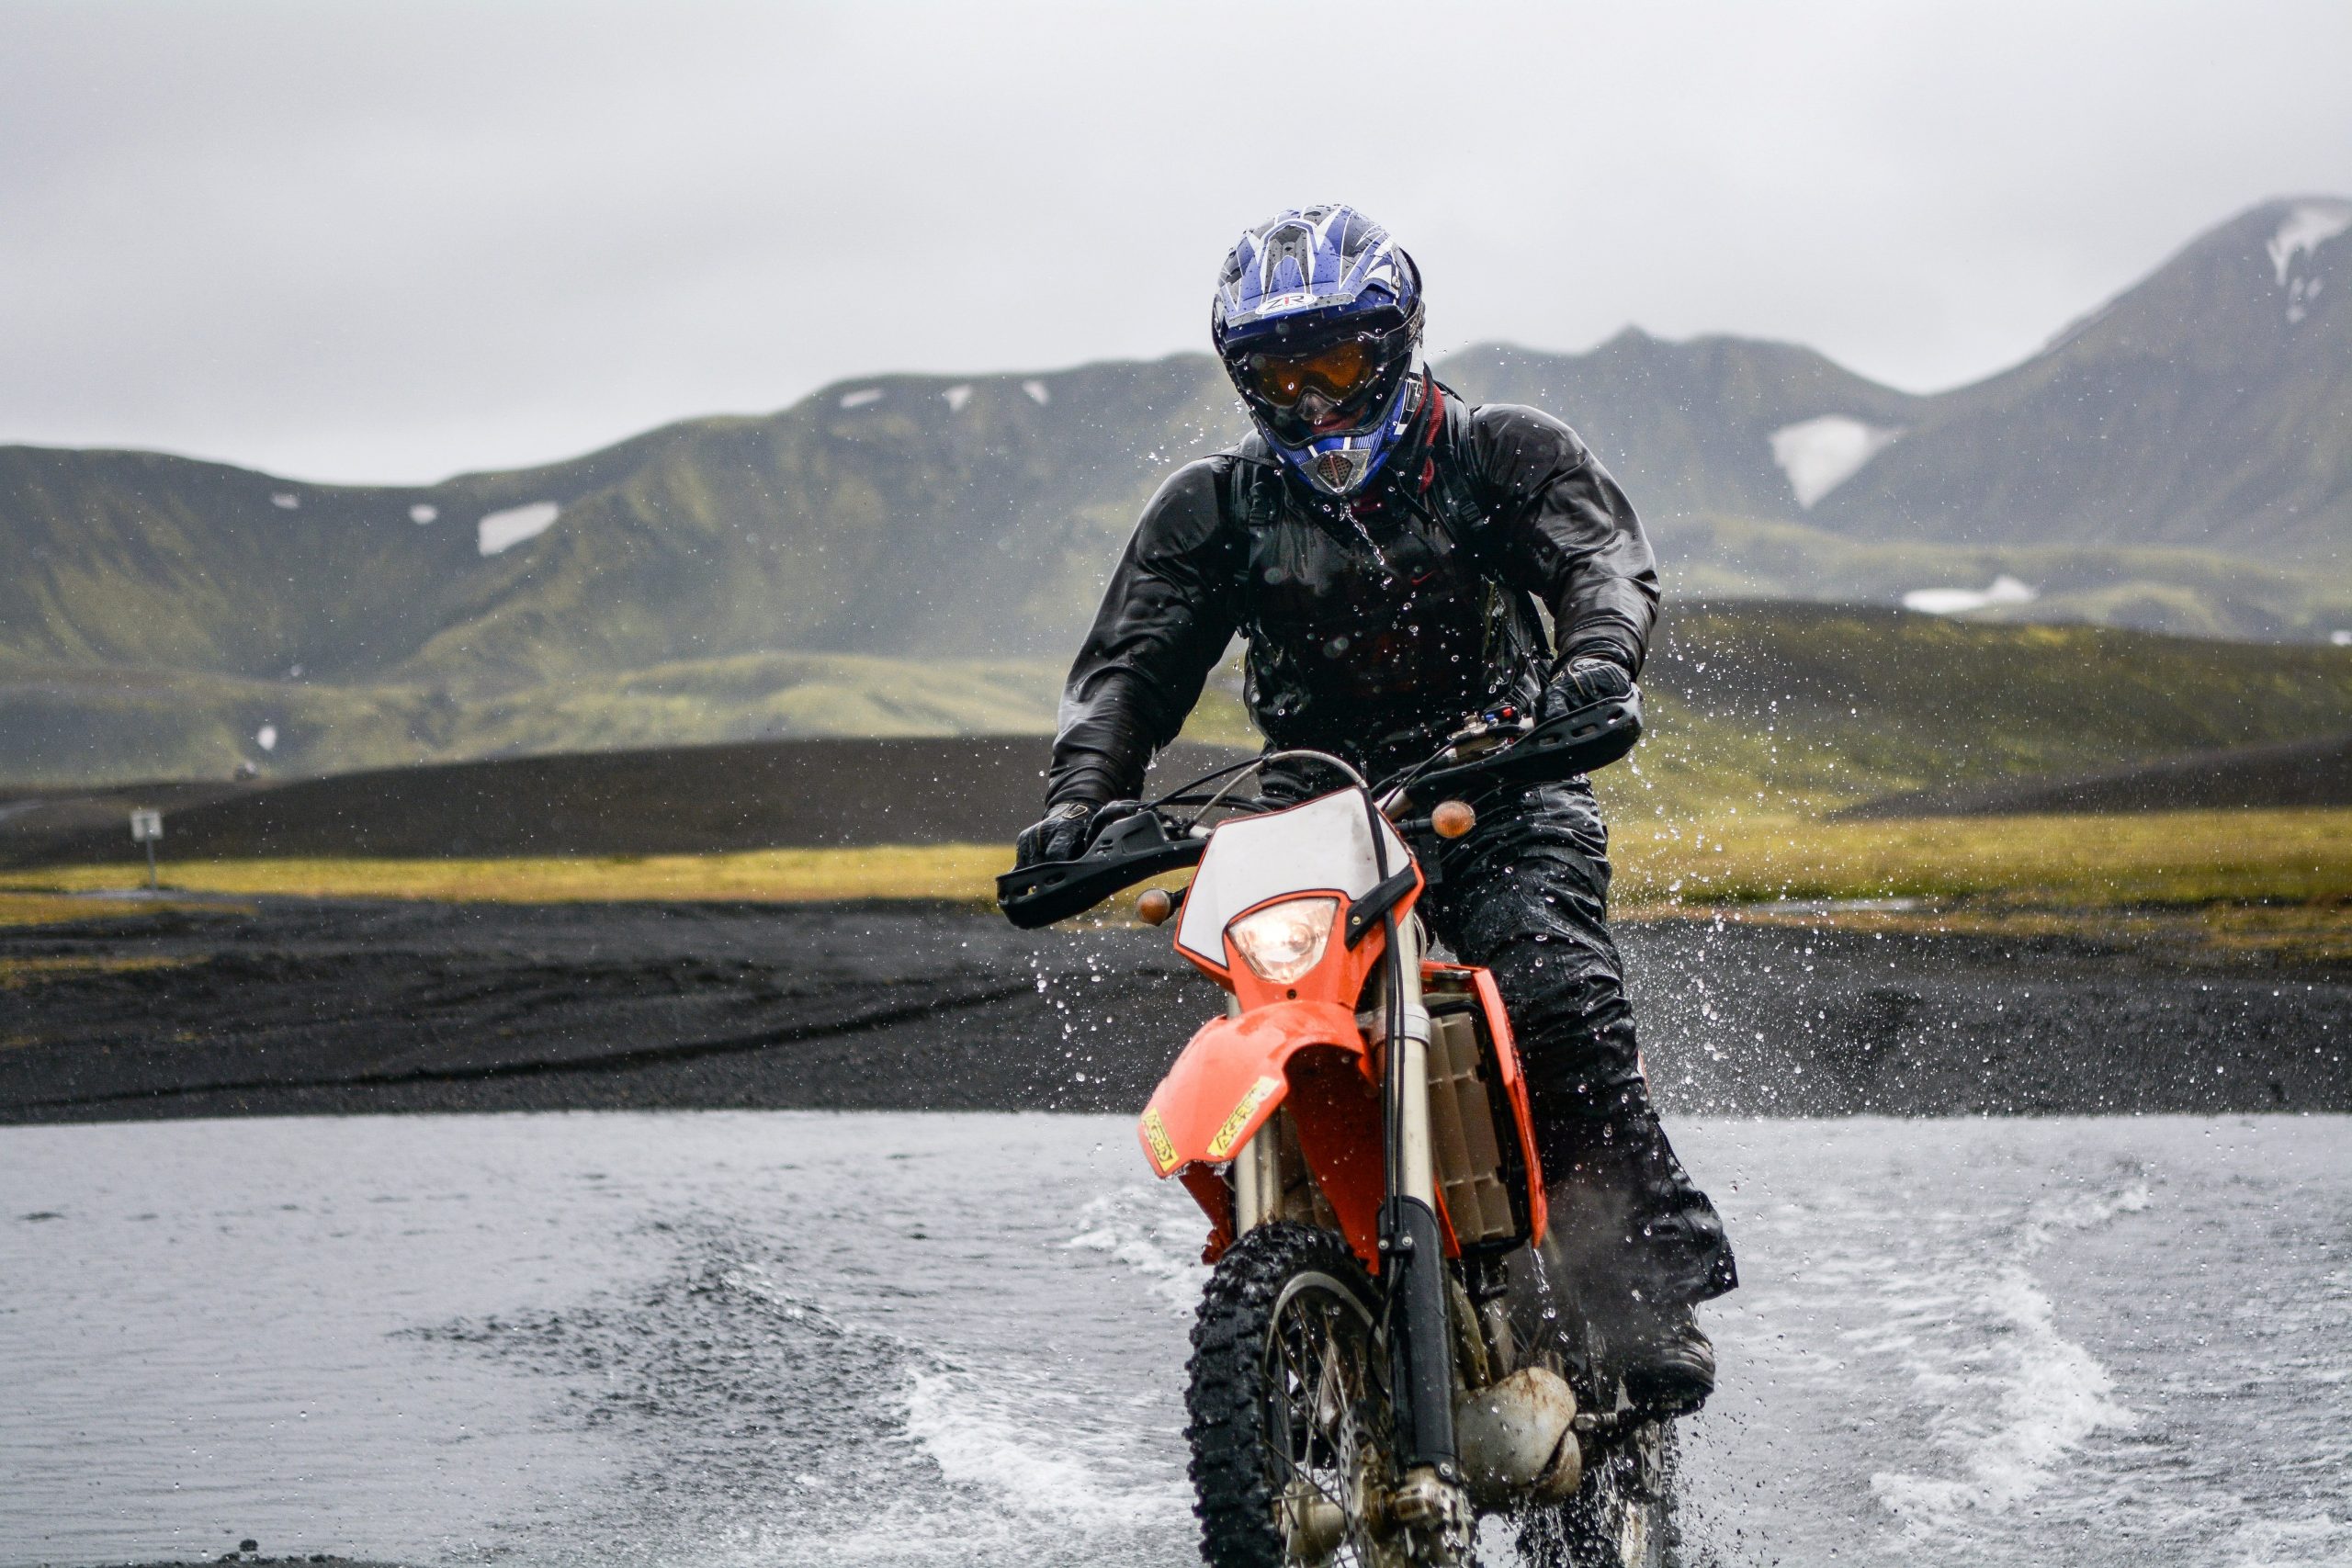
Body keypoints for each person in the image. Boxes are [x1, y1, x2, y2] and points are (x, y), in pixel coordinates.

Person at [1014, 204, 1735, 1411]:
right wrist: (1082, 801)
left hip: (1506, 774)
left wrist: (1598, 663)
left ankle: (1640, 1281)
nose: (1309, 399)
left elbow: (1599, 562)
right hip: (1312, 808)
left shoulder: (1501, 450)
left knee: (1553, 980)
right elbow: (1130, 668)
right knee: (1274, 997)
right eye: (1276, 373)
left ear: (1394, 345)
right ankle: (1313, 1288)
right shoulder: (1215, 510)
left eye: (1334, 362)